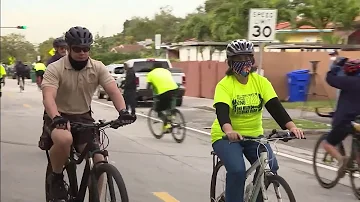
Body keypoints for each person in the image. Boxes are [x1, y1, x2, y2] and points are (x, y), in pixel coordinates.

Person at [40, 26, 136, 202]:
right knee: (64, 140)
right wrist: (56, 118)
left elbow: (113, 90)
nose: (82, 53)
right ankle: (56, 176)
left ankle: (95, 198)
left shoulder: (97, 67)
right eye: (77, 49)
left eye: (86, 49)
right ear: (68, 48)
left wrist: (123, 111)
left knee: (100, 159)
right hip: (58, 115)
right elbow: (48, 97)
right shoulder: (55, 68)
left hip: (84, 117)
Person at [210, 39, 305, 202]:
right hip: (226, 137)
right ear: (229, 62)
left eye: (247, 58)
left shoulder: (260, 82)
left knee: (271, 166)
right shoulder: (224, 86)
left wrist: (292, 127)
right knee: (238, 170)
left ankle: (256, 196)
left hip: (254, 136)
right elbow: (222, 112)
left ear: (252, 60)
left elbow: (275, 107)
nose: (244, 63)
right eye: (239, 60)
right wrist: (229, 131)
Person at [322, 57, 360, 178]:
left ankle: (341, 159)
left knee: (327, 143)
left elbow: (331, 79)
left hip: (346, 121)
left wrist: (335, 67)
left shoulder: (348, 81)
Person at [146, 62, 178, 132]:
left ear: (153, 67)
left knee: (158, 110)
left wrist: (146, 96)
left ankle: (167, 125)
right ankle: (172, 116)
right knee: (170, 104)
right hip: (175, 89)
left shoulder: (150, 74)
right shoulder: (167, 71)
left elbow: (149, 87)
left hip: (164, 92)